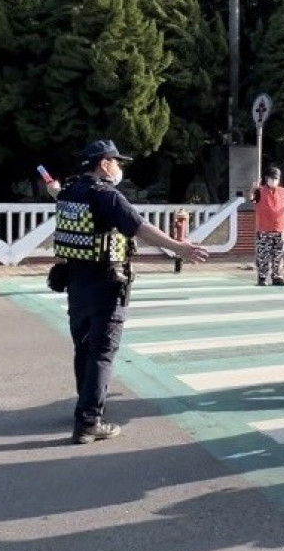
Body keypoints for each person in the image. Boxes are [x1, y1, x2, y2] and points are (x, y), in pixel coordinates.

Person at [52, 139, 209, 444]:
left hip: (76, 281)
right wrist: (180, 247)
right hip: (106, 282)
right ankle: (88, 422)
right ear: (103, 164)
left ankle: (85, 405)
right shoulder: (107, 196)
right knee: (102, 352)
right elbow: (140, 228)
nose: (120, 167)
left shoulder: (69, 192)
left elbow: (61, 203)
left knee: (83, 347)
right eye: (117, 161)